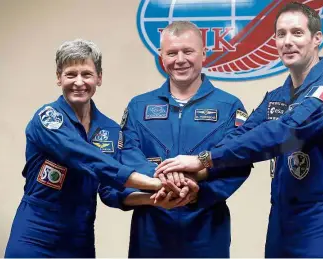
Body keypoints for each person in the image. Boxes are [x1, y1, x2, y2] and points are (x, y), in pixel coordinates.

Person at [155, 2, 323, 258]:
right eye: (281, 34)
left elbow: (283, 133)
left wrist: (203, 159)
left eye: (297, 33)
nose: (287, 41)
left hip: (321, 220)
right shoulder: (277, 97)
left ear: (316, 38)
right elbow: (242, 135)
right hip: (280, 221)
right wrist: (194, 175)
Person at [101, 21, 251, 257]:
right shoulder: (139, 106)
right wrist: (162, 182)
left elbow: (237, 161)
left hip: (207, 229)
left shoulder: (229, 106)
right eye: (171, 53)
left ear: (203, 53)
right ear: (161, 56)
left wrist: (196, 194)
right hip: (151, 228)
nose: (180, 59)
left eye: (188, 51)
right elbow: (126, 154)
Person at [4, 39, 164, 258]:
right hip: (36, 233)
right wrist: (155, 183)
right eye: (71, 74)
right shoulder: (48, 119)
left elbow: (110, 190)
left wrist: (155, 196)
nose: (79, 82)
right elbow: (85, 157)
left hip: (80, 238)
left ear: (99, 77)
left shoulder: (110, 129)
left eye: (87, 74)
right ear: (58, 77)